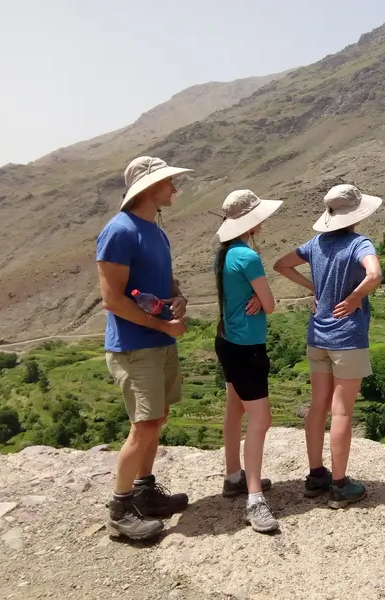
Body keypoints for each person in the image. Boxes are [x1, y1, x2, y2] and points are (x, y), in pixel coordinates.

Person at [96, 156, 192, 540]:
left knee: (158, 418)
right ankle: (120, 511)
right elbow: (113, 300)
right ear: (149, 188)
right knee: (145, 424)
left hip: (158, 341)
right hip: (136, 345)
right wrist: (160, 324)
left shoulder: (156, 230)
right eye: (169, 182)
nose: (174, 188)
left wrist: (179, 297)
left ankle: (144, 491)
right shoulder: (119, 231)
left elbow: (165, 280)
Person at [274, 184, 383, 509]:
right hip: (347, 339)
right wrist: (353, 298)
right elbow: (374, 274)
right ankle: (339, 485)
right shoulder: (359, 243)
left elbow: (281, 264)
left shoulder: (315, 243)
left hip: (317, 337)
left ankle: (315, 475)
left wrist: (315, 287)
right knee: (342, 410)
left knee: (317, 405)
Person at [213, 189, 282, 533]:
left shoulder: (224, 254)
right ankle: (254, 500)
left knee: (234, 409)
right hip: (248, 347)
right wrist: (260, 295)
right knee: (261, 419)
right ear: (251, 222)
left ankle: (233, 476)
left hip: (227, 340)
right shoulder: (248, 257)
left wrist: (254, 294)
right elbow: (270, 306)